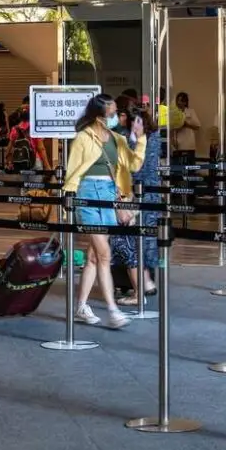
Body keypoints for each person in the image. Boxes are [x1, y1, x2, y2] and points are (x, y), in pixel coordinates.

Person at [64, 93, 146, 329]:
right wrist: (69, 196)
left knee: (93, 256)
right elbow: (73, 171)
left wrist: (140, 140)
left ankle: (81, 306)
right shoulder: (82, 137)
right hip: (87, 194)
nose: (115, 115)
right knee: (104, 254)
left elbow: (134, 165)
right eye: (111, 111)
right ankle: (112, 309)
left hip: (110, 194)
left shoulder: (117, 139)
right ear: (99, 114)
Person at [110, 100, 160, 303]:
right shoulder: (154, 136)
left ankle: (142, 286)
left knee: (133, 239)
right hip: (151, 194)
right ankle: (145, 282)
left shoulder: (133, 140)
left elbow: (133, 168)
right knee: (143, 240)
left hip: (137, 196)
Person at [7, 108, 51, 172]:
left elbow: (10, 147)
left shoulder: (15, 129)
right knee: (36, 181)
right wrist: (47, 166)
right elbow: (41, 148)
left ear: (20, 117)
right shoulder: (34, 129)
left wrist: (8, 160)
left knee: (21, 181)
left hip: (19, 161)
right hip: (34, 160)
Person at [171, 91, 201, 165]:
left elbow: (197, 127)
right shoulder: (174, 113)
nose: (178, 102)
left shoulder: (191, 112)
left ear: (185, 102)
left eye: (181, 100)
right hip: (177, 143)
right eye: (177, 100)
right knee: (178, 167)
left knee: (190, 166)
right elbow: (171, 128)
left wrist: (187, 125)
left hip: (189, 144)